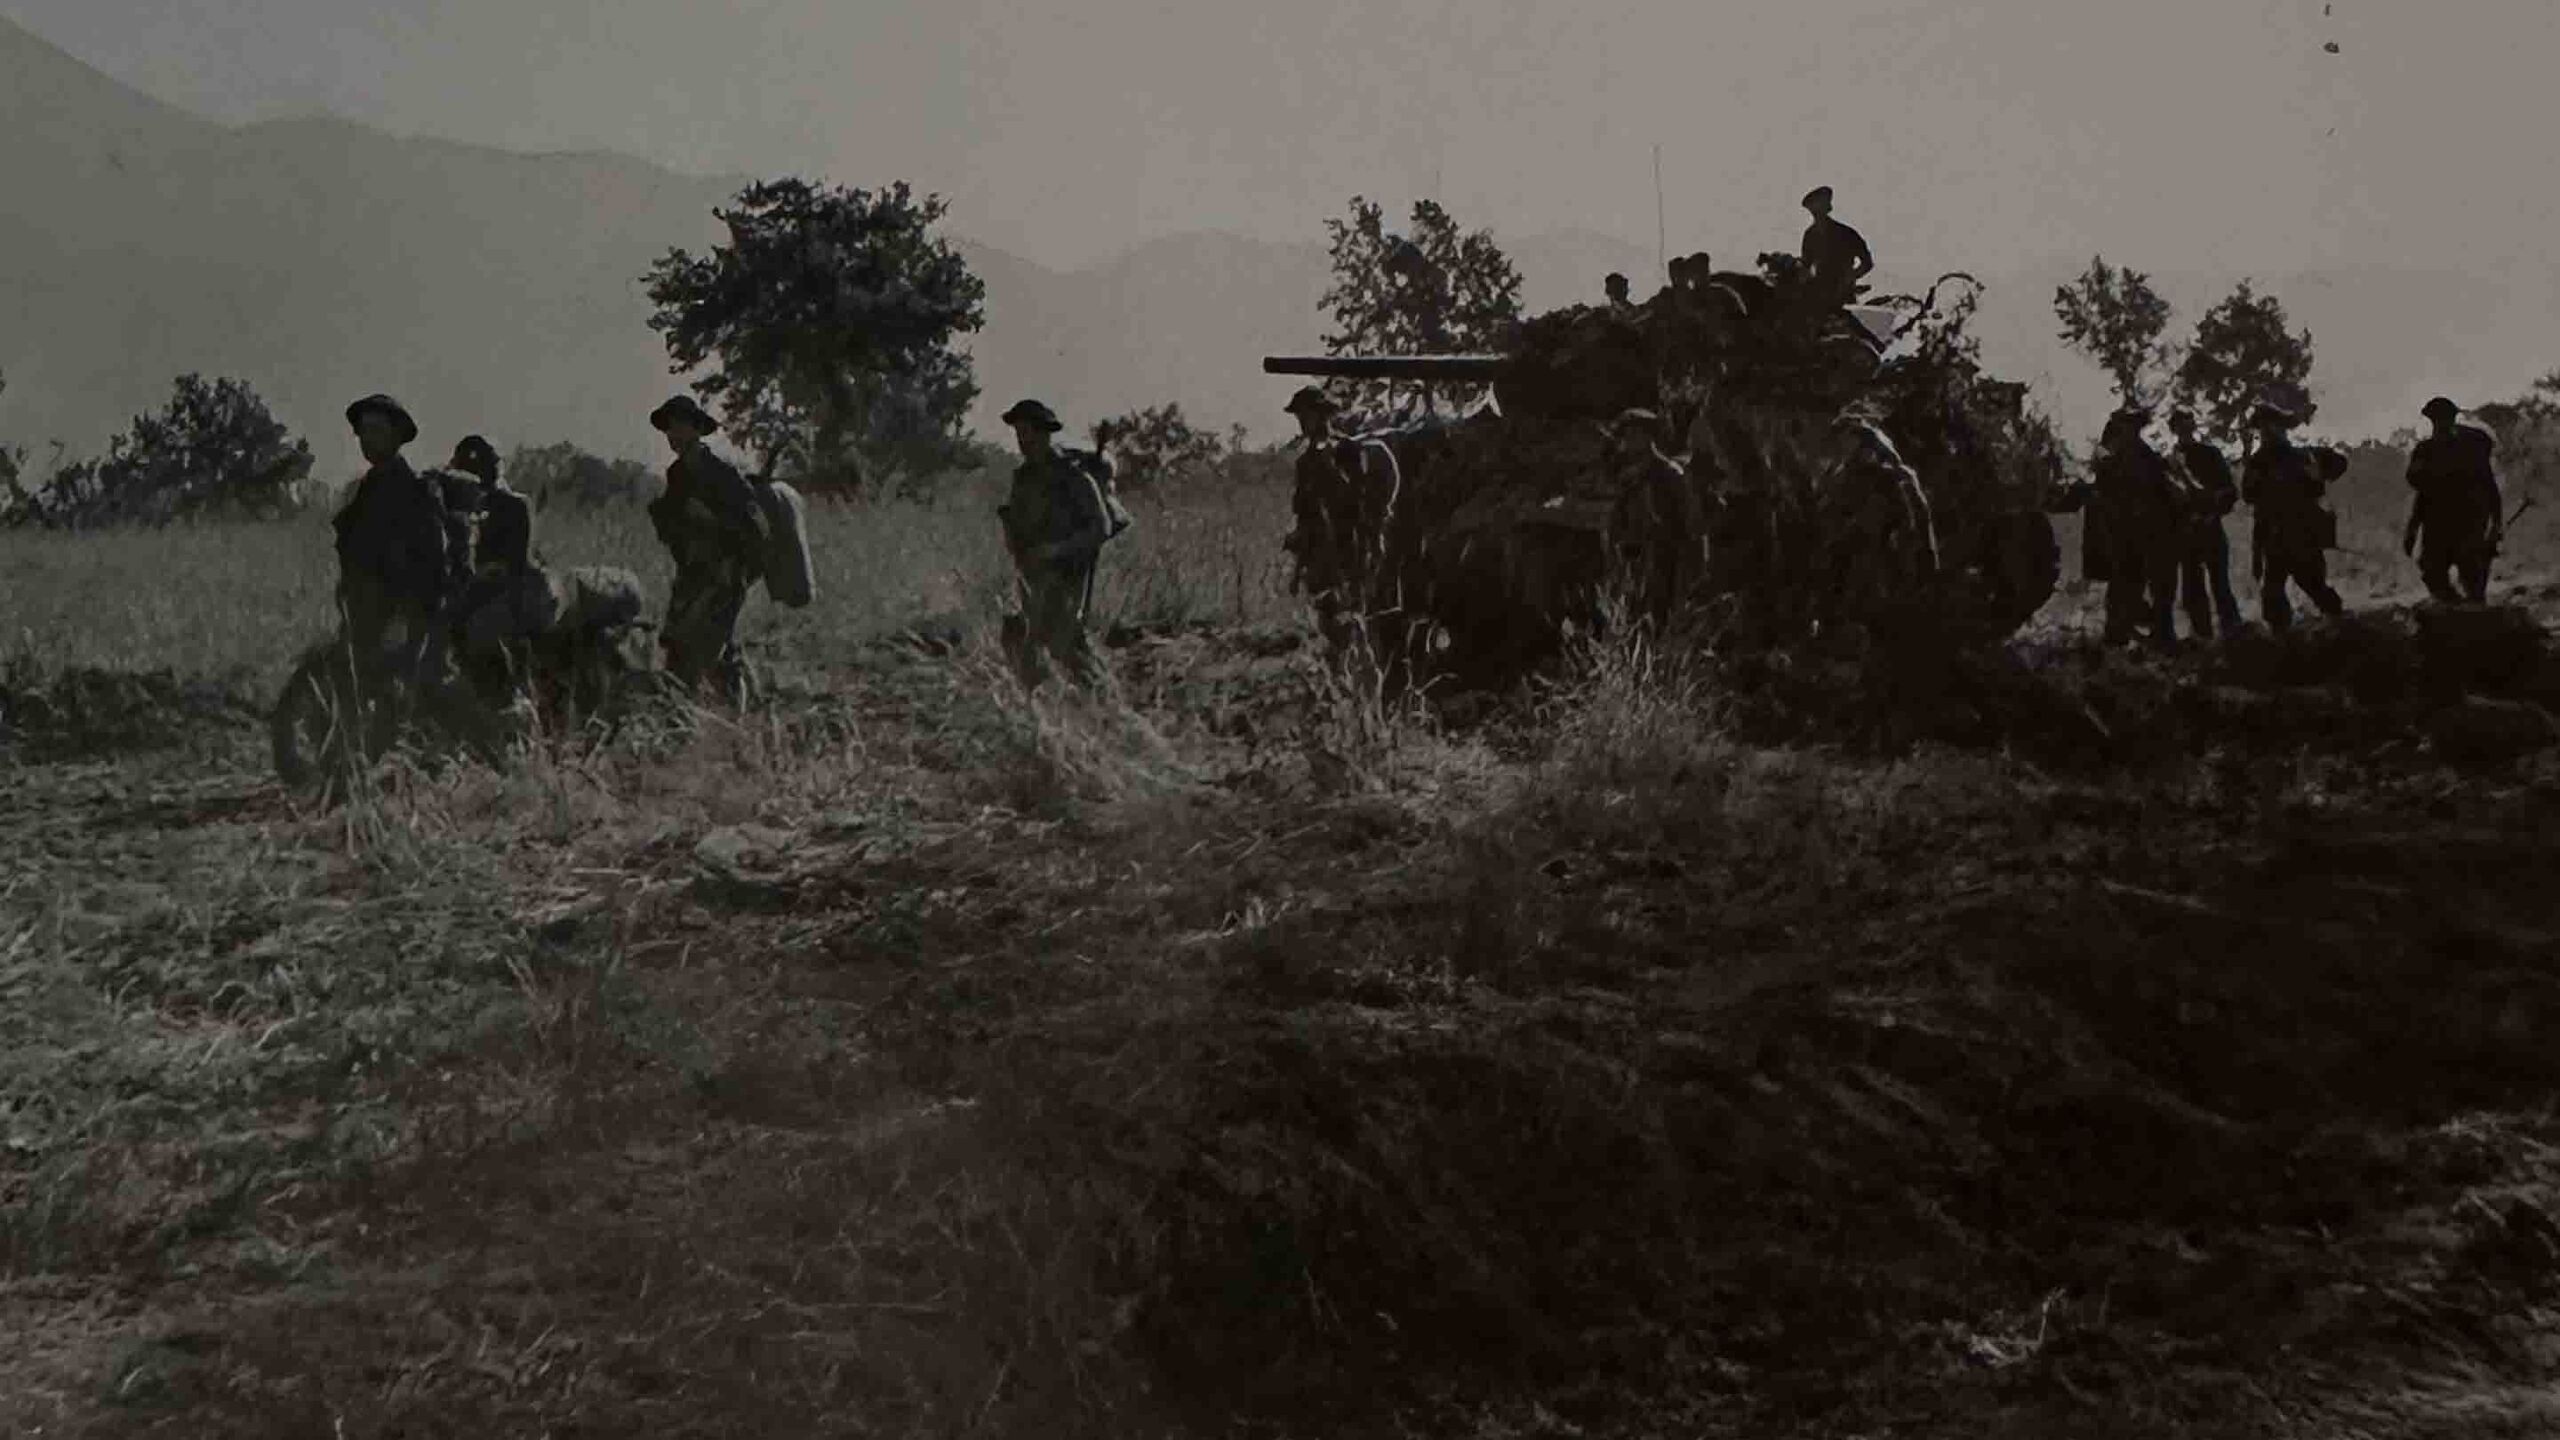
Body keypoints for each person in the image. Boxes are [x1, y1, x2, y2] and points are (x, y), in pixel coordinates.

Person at [331, 393, 465, 695]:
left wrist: (407, 617)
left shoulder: (416, 490)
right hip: (365, 613)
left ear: (396, 437)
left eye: (377, 430)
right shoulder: (365, 490)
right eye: (363, 431)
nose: (367, 439)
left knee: (403, 695)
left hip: (405, 616)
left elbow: (433, 562)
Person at [645, 394, 765, 698]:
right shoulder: (676, 475)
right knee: (677, 641)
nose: (673, 435)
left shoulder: (722, 473)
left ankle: (735, 703)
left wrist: (712, 520)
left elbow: (754, 527)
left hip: (726, 573)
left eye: (680, 427)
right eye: (669, 428)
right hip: (693, 574)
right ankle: (687, 707)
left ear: (697, 430)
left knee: (710, 643)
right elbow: (676, 529)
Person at [996, 398, 1112, 689]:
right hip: (1033, 571)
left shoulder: (1072, 476)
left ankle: (1107, 702)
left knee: (1065, 641)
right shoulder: (1023, 479)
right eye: (1019, 432)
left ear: (1044, 433)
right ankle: (1037, 709)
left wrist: (1057, 550)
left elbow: (1100, 526)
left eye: (1028, 432)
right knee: (1022, 638)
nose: (1023, 440)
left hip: (1067, 571)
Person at [1282, 386, 1403, 649]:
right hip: (1321, 557)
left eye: (1307, 415)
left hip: (1352, 550)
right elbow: (1305, 515)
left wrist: (1329, 465)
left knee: (1359, 621)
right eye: (1300, 417)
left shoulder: (1349, 450)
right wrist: (1299, 567)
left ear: (1323, 415)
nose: (1302, 422)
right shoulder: (1305, 463)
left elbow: (1357, 500)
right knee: (1330, 627)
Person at [444, 435, 557, 702]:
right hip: (488, 587)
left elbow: (517, 562)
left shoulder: (514, 504)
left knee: (480, 629)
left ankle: (503, 695)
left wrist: (482, 575)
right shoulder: (466, 509)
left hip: (518, 590)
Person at [2240, 401, 2345, 629]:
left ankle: (2339, 624)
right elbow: (2248, 495)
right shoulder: (2258, 462)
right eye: (2263, 427)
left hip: (2302, 534)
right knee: (2273, 592)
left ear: (2281, 428)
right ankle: (2283, 638)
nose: (2268, 432)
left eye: (2272, 426)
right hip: (2273, 534)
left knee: (2312, 583)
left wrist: (2317, 475)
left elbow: (2336, 466)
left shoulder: (2302, 456)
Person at [2089, 404, 2182, 647]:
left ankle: (2154, 634)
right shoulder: (2115, 461)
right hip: (2131, 534)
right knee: (2131, 586)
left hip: (2146, 532)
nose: (2128, 431)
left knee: (2151, 587)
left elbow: (2169, 492)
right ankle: (2124, 635)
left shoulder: (2144, 457)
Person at [2403, 396, 2504, 604]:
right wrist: (2412, 529)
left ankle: (2475, 617)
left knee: (2473, 576)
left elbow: (2488, 483)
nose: (2440, 423)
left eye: (2444, 418)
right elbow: (2423, 493)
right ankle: (2455, 610)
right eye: (2436, 419)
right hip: (2437, 523)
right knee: (2432, 571)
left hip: (2469, 521)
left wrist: (2496, 523)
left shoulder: (2472, 446)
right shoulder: (2426, 451)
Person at [2167, 408, 2246, 638]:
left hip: (2210, 527)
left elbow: (2230, 492)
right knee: (2193, 586)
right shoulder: (2169, 461)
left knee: (2220, 584)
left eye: (2187, 423)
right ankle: (2202, 634)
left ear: (2193, 427)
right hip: (2187, 531)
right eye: (2179, 425)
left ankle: (2232, 631)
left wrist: (2213, 512)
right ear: (2173, 429)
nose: (2184, 429)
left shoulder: (2210, 455)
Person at [1799, 186, 1875, 300]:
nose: (1815, 212)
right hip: (1819, 294)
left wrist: (1851, 276)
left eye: (1819, 207)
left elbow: (1867, 262)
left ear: (1826, 208)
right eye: (1813, 209)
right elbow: (1806, 264)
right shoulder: (1810, 235)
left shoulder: (1846, 233)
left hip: (1843, 294)